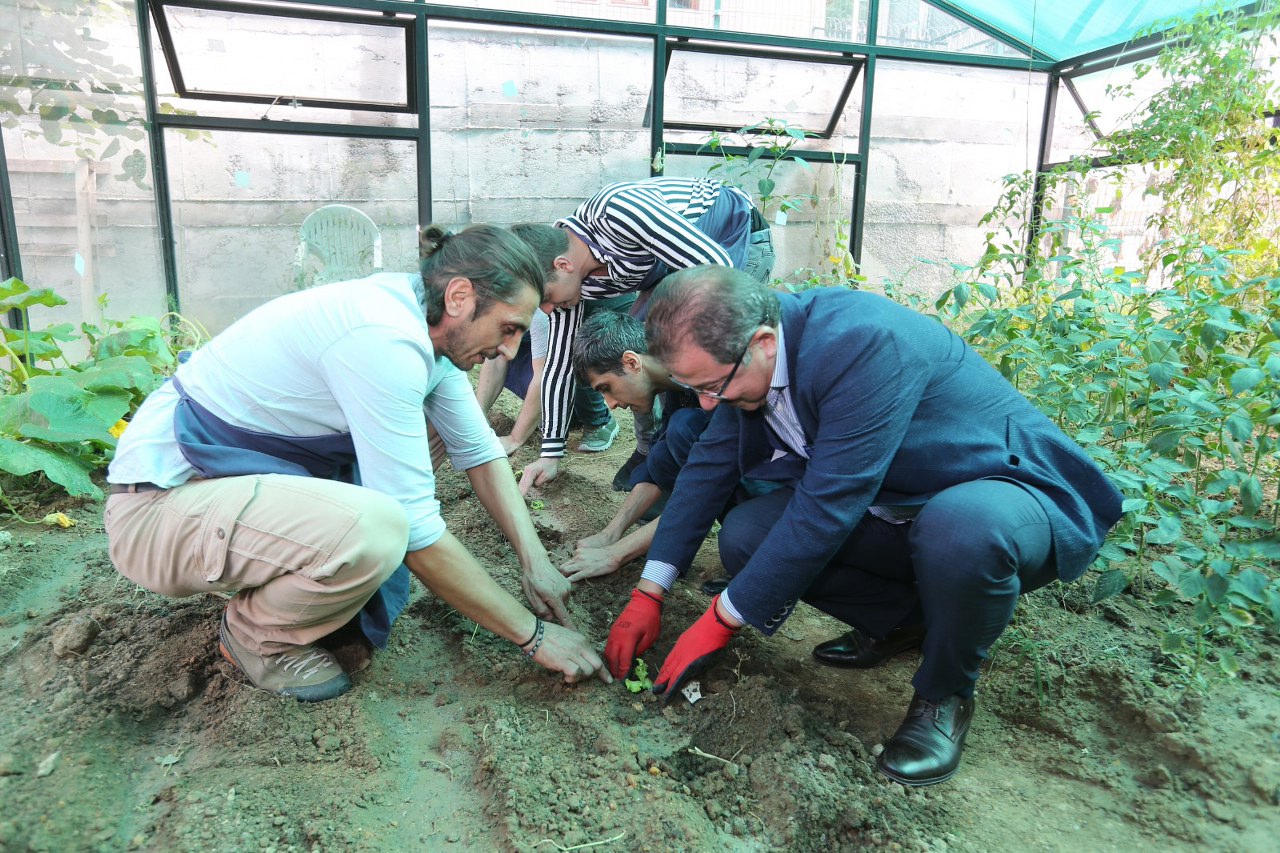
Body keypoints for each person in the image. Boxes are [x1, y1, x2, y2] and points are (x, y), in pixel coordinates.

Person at [604, 266, 1123, 786]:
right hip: (897, 505)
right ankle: (905, 621)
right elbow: (706, 471)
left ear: (762, 341)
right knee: (749, 534)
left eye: (714, 386)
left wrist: (722, 619)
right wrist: (650, 591)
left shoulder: (863, 343)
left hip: (1006, 493)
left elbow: (829, 504)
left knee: (961, 530)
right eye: (695, 389)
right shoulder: (747, 359)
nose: (708, 403)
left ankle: (945, 694)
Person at [104, 224, 611, 703]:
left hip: (220, 491)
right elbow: (413, 526)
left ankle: (275, 577)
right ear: (460, 297)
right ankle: (256, 636)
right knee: (379, 530)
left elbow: (477, 450)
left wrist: (534, 562)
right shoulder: (382, 338)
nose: (509, 348)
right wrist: (535, 636)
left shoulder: (421, 321)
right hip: (158, 512)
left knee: (412, 467)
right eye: (508, 328)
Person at [512, 177, 776, 497]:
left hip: (731, 238)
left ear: (562, 265)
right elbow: (559, 364)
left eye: (547, 298)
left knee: (698, 352)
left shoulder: (616, 211)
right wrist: (549, 454)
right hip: (674, 268)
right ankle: (656, 450)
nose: (549, 308)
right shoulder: (573, 284)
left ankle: (706, 461)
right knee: (636, 349)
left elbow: (715, 271)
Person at [560, 310, 800, 584]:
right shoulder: (674, 381)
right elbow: (661, 461)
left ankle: (759, 554)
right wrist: (610, 533)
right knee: (679, 428)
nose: (611, 404)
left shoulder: (710, 373)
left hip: (791, 480)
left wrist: (616, 554)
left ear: (631, 362)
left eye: (607, 388)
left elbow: (703, 486)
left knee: (688, 430)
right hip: (742, 463)